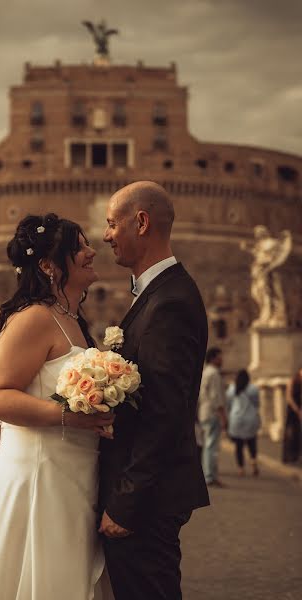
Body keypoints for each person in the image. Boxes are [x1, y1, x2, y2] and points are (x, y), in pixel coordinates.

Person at [0, 213, 115, 600]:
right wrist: (70, 416)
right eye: (79, 247)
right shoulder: (33, 318)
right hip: (39, 479)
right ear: (48, 265)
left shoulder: (73, 321)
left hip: (75, 479)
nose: (91, 251)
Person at [99, 181, 209, 600]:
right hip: (148, 495)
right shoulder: (159, 294)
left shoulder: (170, 303)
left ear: (141, 222)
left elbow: (165, 413)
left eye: (112, 224)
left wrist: (126, 501)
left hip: (146, 502)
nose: (106, 236)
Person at [198, 347, 227, 487]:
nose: (222, 359)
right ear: (214, 358)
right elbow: (216, 397)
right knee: (212, 446)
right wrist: (223, 416)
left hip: (204, 411)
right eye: (220, 356)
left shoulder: (205, 372)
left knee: (208, 445)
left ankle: (208, 474)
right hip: (212, 413)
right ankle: (210, 476)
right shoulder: (214, 373)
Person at [226, 369, 261, 476]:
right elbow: (257, 404)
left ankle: (241, 468)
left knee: (239, 446)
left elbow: (229, 404)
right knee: (252, 442)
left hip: (236, 419)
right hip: (250, 418)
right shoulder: (253, 389)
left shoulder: (232, 389)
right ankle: (253, 462)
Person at [282, 368, 302, 463]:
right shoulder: (293, 381)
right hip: (292, 410)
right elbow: (289, 397)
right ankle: (289, 456)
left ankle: (297, 456)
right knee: (291, 433)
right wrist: (297, 409)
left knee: (298, 434)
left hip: (299, 409)